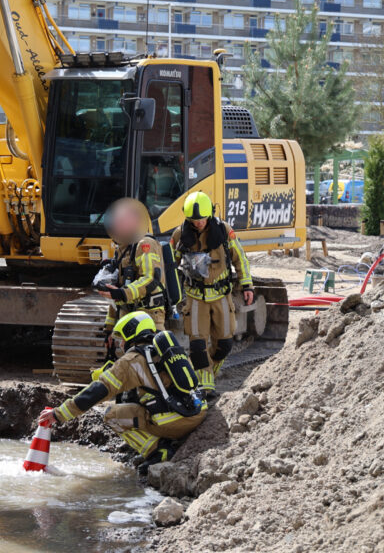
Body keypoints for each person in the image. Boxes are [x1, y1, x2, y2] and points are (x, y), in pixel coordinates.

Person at [40, 311, 206, 465]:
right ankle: (168, 438)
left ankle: (157, 451)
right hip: (198, 412)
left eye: (122, 339)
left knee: (111, 415)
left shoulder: (131, 360)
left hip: (173, 422)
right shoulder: (169, 350)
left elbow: (98, 391)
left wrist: (58, 413)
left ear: (131, 334)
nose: (120, 344)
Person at [170, 191, 253, 398]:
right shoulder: (180, 235)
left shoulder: (224, 231)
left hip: (221, 295)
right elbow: (170, 263)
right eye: (194, 220)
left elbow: (239, 258)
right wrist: (170, 291)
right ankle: (204, 385)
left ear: (210, 214)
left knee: (224, 343)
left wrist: (247, 285)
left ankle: (207, 374)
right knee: (197, 344)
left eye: (202, 219)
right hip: (195, 297)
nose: (198, 223)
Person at [97, 198, 168, 335]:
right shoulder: (122, 250)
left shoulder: (146, 244)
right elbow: (117, 291)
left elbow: (151, 279)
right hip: (128, 317)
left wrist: (123, 293)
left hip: (149, 316)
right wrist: (109, 328)